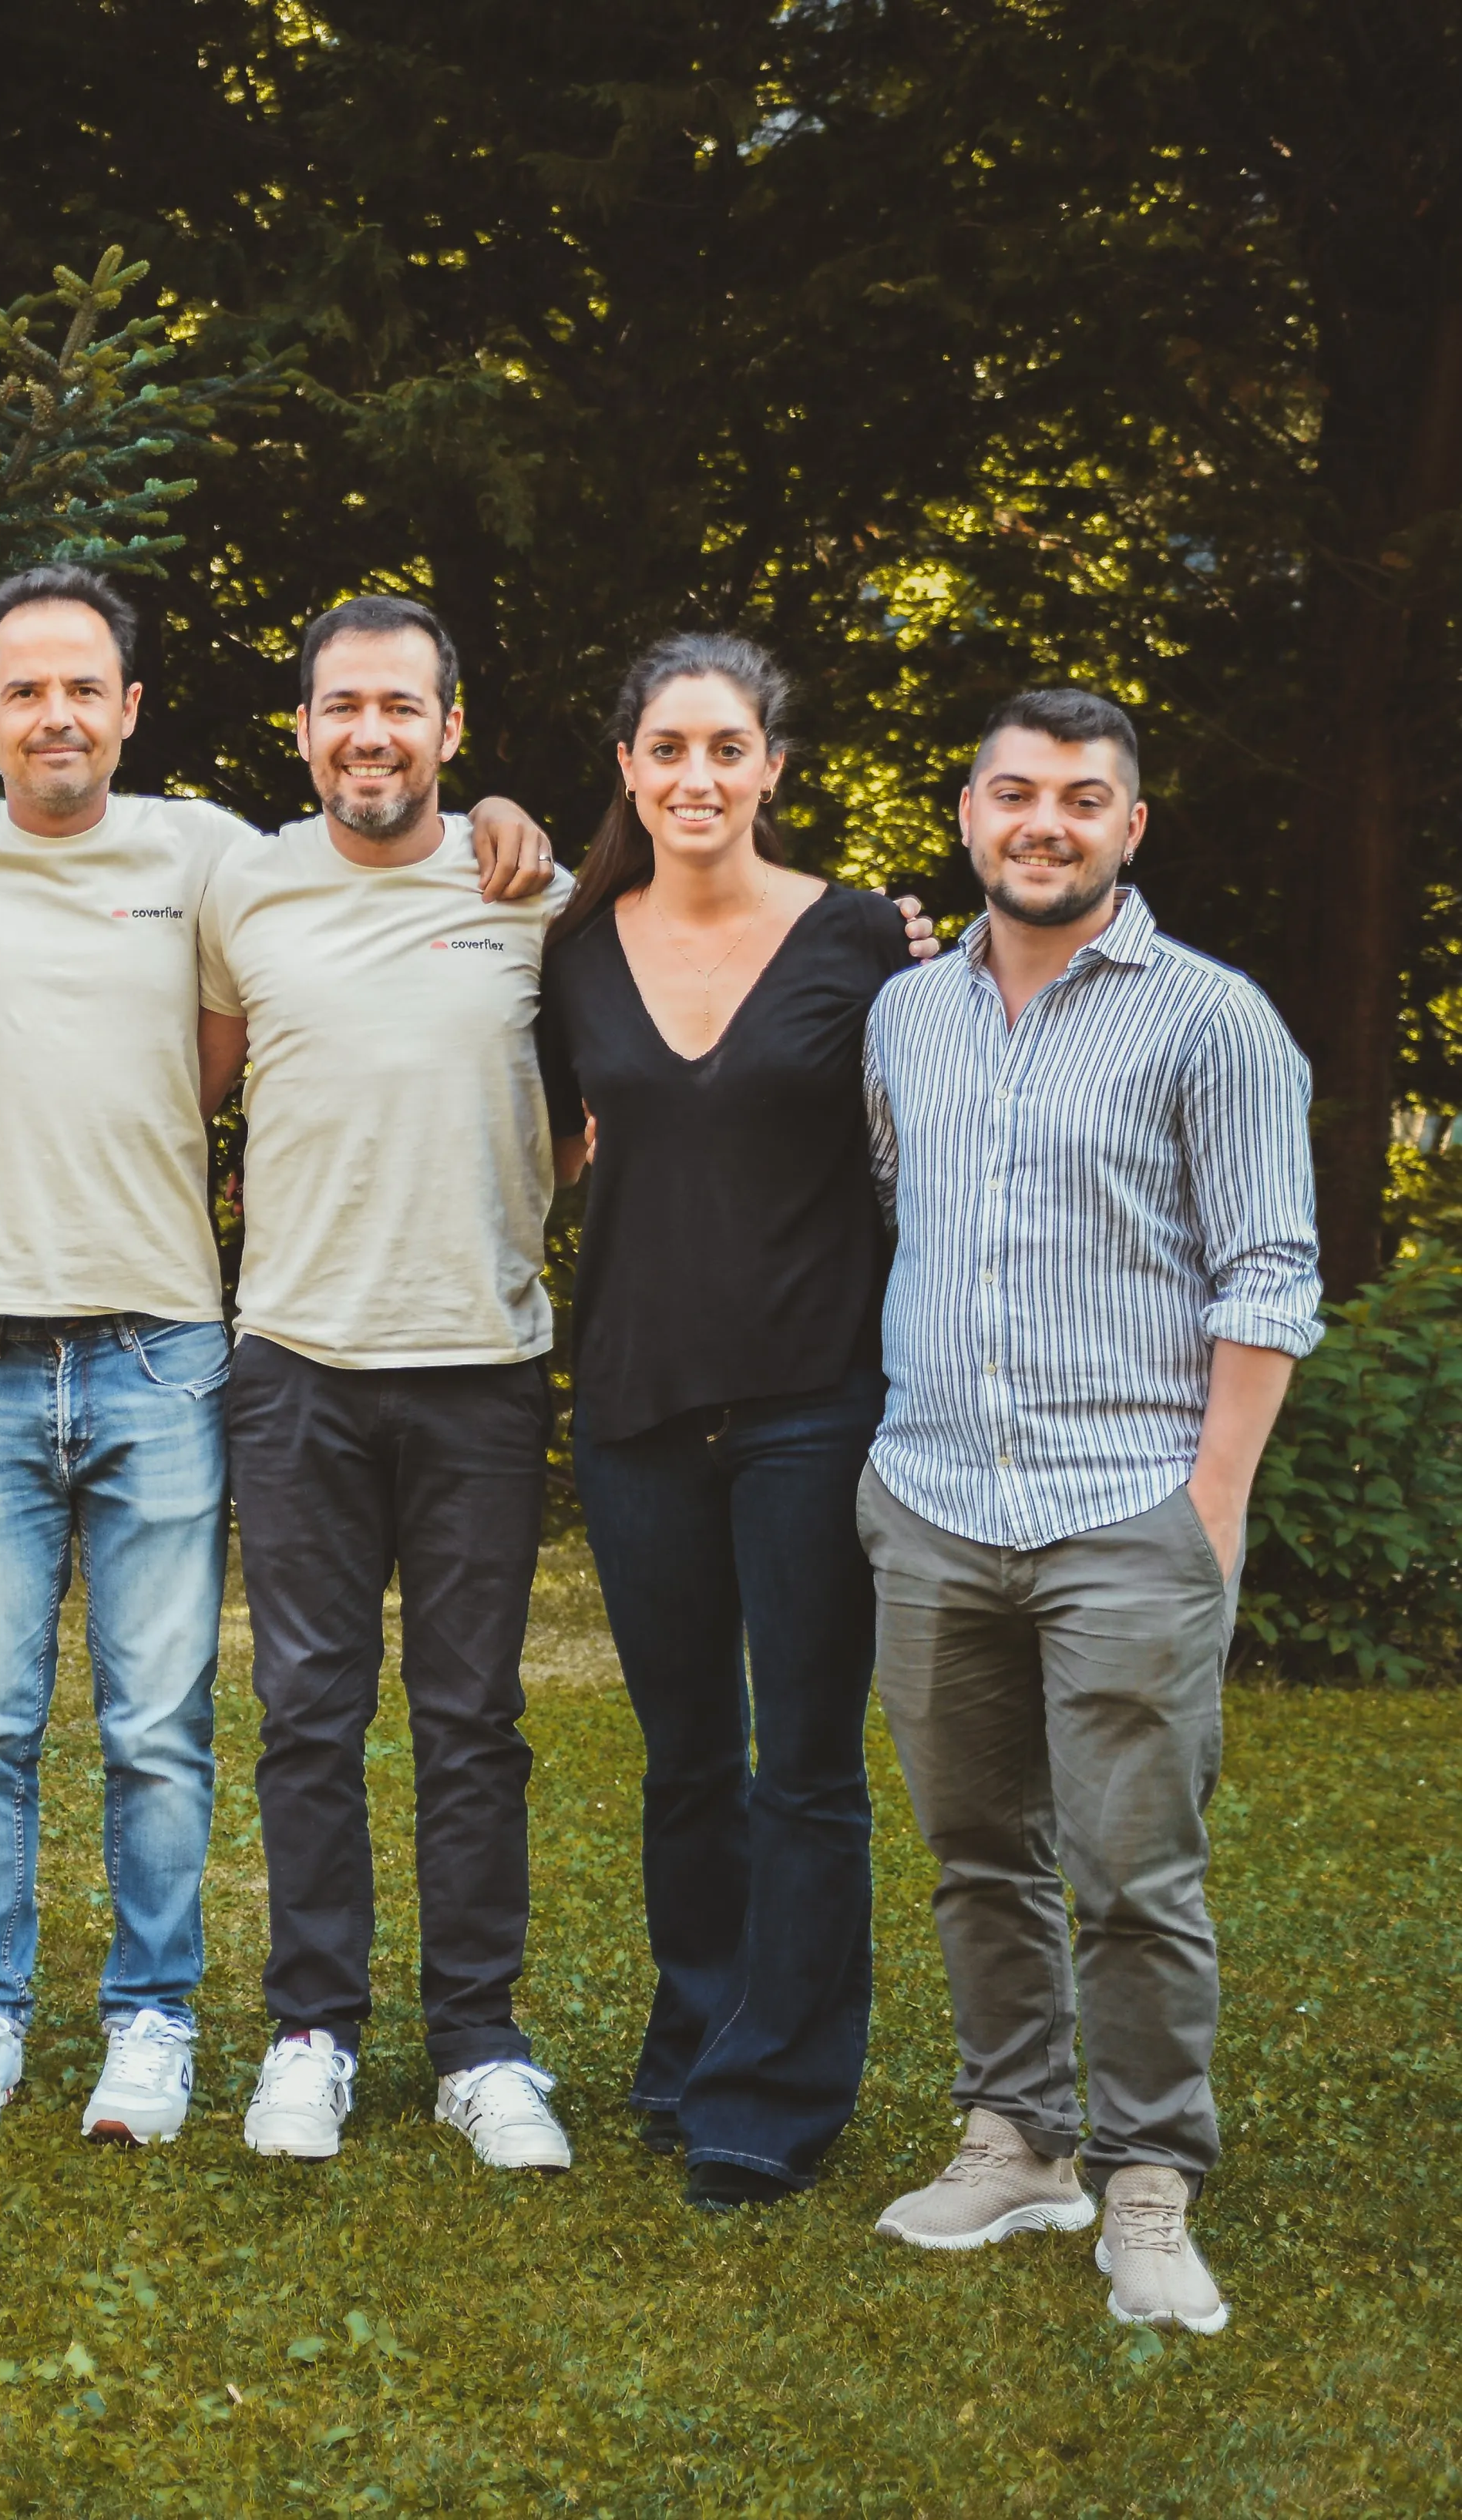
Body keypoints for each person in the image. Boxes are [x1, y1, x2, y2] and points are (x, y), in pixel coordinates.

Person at [0, 567, 553, 2148]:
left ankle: (178, 2021)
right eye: (21, 689)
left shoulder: (220, 860)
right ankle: (4, 2011)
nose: (53, 713)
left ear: (128, 706)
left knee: (175, 1722)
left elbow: (525, 1044)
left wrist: (504, 810)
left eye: (82, 686)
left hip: (184, 1347)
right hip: (11, 1348)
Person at [858, 688, 1317, 2336]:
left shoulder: (1211, 1019)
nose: (1038, 822)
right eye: (1008, 793)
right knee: (975, 1853)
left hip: (1124, 1506)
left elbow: (1268, 1274)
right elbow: (889, 1214)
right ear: (966, 817)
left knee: (1133, 1871)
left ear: (1128, 827)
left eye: (1078, 797)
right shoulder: (903, 1017)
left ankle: (1143, 2175)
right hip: (927, 1499)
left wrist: (1205, 1505)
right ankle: (1015, 2138)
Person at [197, 596, 580, 2173]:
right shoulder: (239, 888)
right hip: (295, 1366)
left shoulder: (536, 890)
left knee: (469, 1721)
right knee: (305, 1716)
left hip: (482, 1365)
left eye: (400, 707)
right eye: (339, 705)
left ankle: (477, 2042)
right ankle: (310, 2030)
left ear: (449, 727)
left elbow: (612, 1086)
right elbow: (188, 1091)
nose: (369, 732)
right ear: (300, 729)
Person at [534, 635, 913, 2207]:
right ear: (625, 765)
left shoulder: (856, 943)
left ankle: (776, 2088)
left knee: (803, 1766)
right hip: (631, 1400)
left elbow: (916, 1150)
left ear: (769, 765)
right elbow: (550, 1151)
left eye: (725, 749)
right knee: (685, 1756)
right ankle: (693, 2034)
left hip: (809, 1402)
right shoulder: (569, 948)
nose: (694, 777)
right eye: (665, 749)